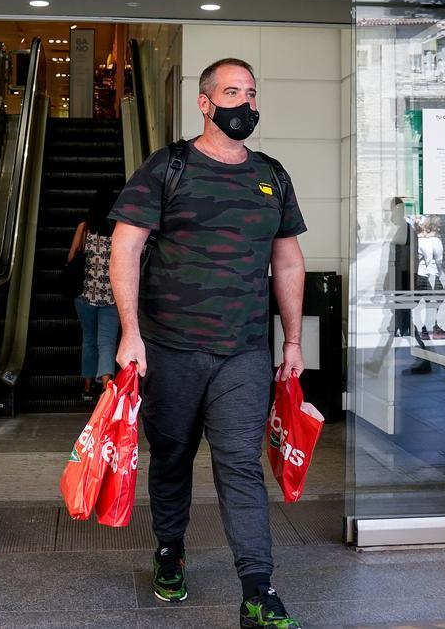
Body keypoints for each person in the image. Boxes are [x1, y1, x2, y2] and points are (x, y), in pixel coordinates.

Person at [109, 57, 308, 629]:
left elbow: (288, 260)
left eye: (250, 93)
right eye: (231, 93)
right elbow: (125, 248)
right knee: (171, 456)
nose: (244, 104)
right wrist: (131, 333)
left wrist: (292, 341)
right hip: (171, 347)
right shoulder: (168, 166)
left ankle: (258, 589)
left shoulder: (271, 174)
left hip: (244, 352)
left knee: (241, 465)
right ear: (205, 102)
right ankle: (170, 550)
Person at [68, 189, 120, 401]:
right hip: (112, 295)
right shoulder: (119, 229)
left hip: (85, 294)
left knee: (88, 339)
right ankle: (107, 388)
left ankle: (87, 387)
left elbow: (71, 257)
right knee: (106, 341)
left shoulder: (84, 228)